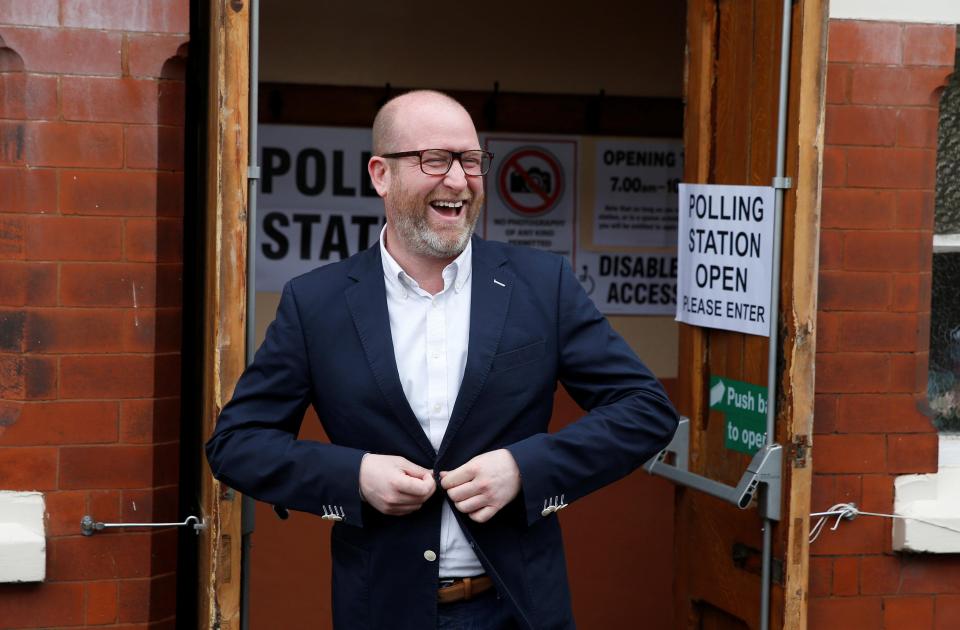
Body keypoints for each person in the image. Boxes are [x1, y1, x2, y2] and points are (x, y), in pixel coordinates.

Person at [205, 90, 679, 630]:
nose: (458, 179)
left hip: (519, 609)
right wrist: (354, 476)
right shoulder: (315, 304)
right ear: (381, 175)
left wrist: (524, 469)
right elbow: (236, 443)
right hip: (382, 611)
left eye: (470, 160)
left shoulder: (542, 285)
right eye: (435, 160)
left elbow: (646, 410)